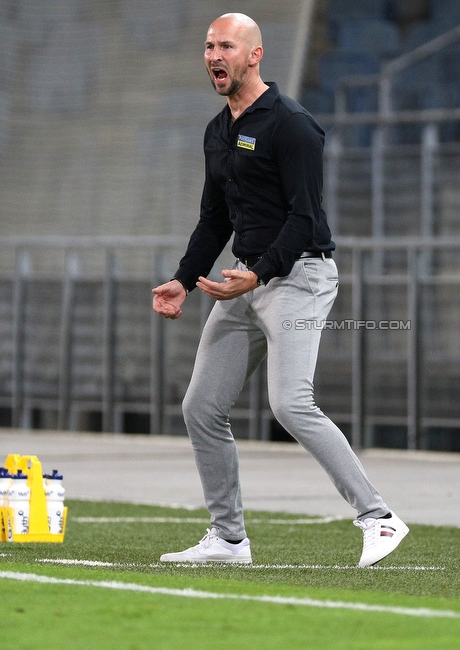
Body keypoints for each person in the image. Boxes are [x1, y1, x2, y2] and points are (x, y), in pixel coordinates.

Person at [151, 12, 408, 568]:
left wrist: (261, 273)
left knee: (291, 402)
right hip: (245, 280)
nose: (213, 55)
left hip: (298, 277)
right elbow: (213, 219)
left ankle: (379, 518)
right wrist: (182, 279)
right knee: (201, 407)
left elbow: (305, 216)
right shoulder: (218, 130)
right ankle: (228, 540)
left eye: (225, 45)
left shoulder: (291, 123)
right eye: (208, 45)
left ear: (254, 55)